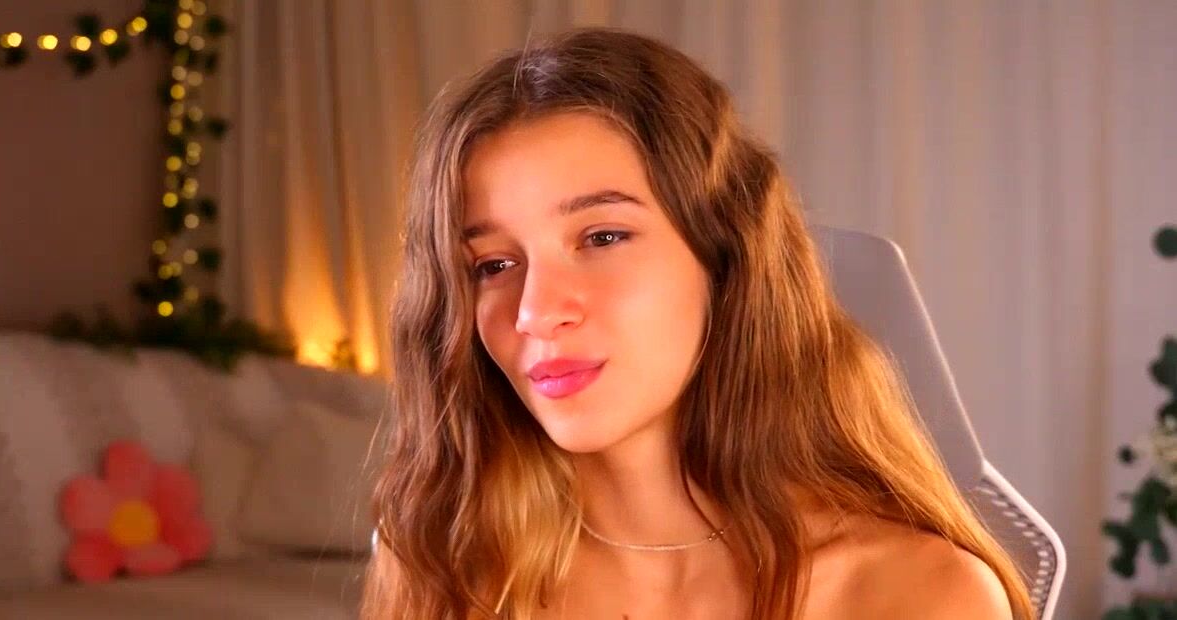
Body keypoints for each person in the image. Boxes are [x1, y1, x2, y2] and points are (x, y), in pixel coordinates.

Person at [362, 27, 1033, 619]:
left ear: (724, 256)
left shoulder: (917, 593)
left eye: (602, 237)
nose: (535, 311)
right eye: (492, 265)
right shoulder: (444, 569)